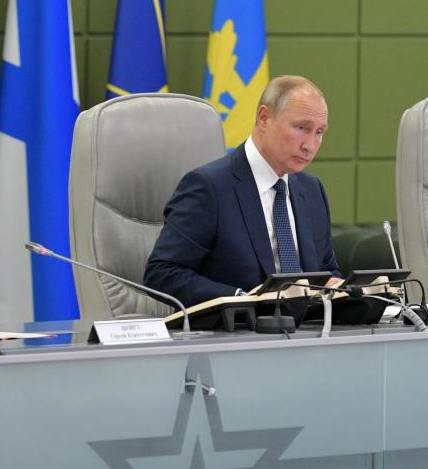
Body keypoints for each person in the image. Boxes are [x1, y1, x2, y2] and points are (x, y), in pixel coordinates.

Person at [144, 75, 339, 307]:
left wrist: (344, 288)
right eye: (301, 128)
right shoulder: (209, 188)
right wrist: (243, 299)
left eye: (319, 132)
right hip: (236, 334)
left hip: (308, 334)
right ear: (264, 118)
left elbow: (325, 272)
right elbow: (162, 274)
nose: (310, 145)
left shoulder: (312, 190)